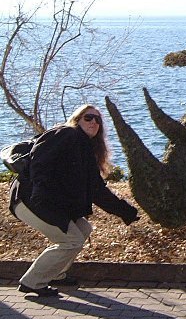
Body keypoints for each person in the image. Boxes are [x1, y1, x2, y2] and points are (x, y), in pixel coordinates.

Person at [9, 104, 139, 297]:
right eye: (88, 118)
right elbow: (39, 159)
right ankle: (32, 281)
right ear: (77, 119)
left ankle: (56, 274)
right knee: (71, 240)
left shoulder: (84, 148)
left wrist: (124, 211)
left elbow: (97, 190)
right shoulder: (66, 134)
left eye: (98, 120)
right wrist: (40, 192)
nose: (94, 122)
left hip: (48, 203)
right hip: (29, 200)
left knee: (84, 229)